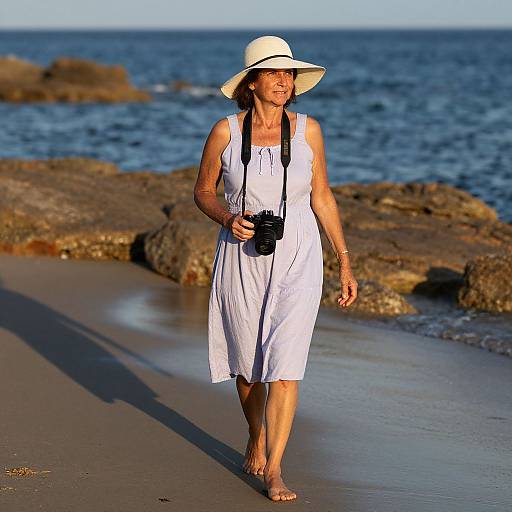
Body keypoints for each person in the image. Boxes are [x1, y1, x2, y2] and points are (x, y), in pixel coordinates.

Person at [194, 35, 358, 501]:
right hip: (240, 249)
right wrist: (229, 218)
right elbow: (203, 191)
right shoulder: (226, 131)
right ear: (252, 82)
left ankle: (276, 469)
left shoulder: (308, 130)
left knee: (285, 365)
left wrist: (344, 260)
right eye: (273, 72)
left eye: (289, 73)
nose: (284, 81)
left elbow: (322, 195)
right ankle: (256, 434)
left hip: (299, 250)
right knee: (247, 367)